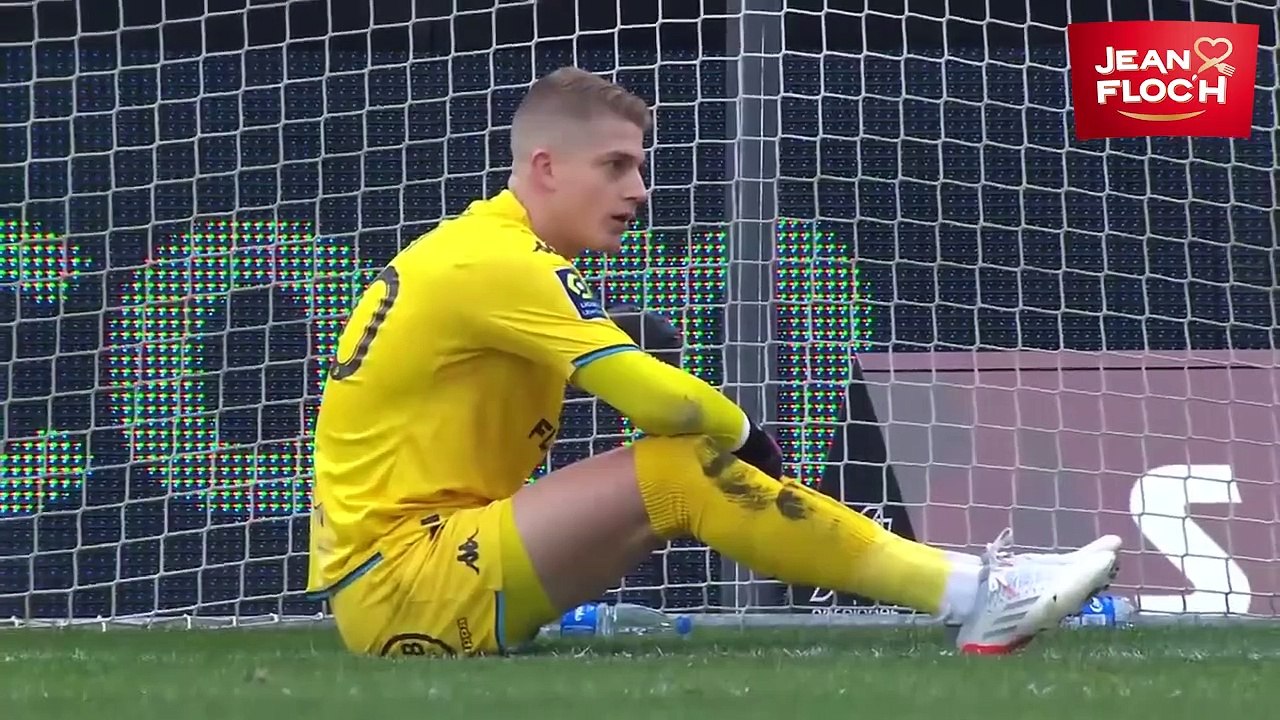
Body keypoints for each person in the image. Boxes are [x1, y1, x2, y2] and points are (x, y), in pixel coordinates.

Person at [304, 66, 1121, 658]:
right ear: (545, 167)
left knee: (676, 473)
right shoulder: (496, 262)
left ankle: (976, 589)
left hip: (409, 570)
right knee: (682, 467)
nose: (640, 188)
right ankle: (980, 596)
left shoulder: (482, 250)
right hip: (408, 582)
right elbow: (671, 408)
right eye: (615, 165)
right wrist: (749, 436)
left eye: (641, 165)